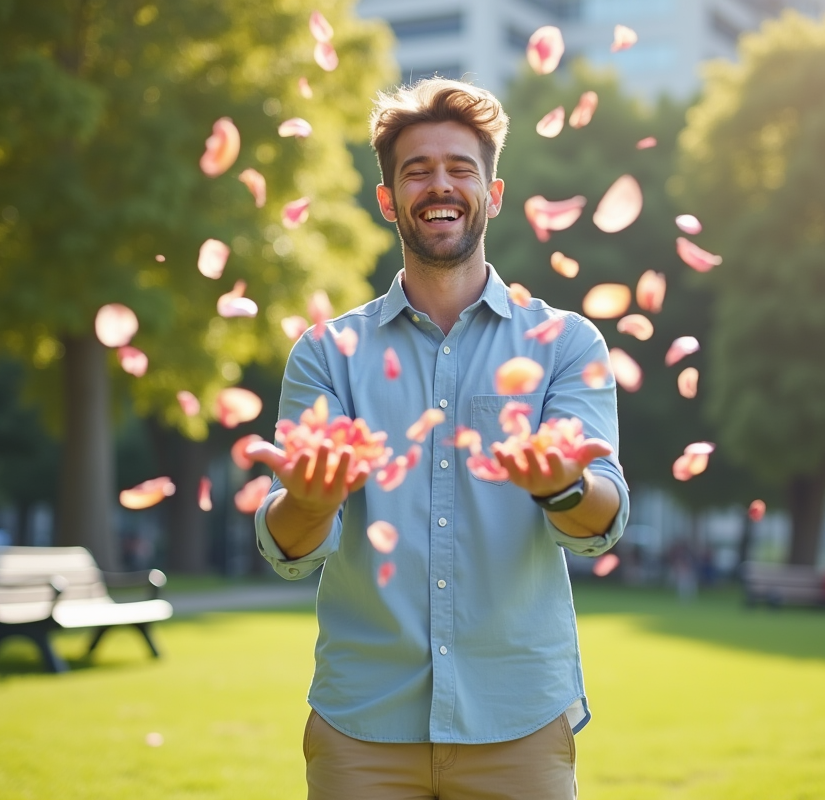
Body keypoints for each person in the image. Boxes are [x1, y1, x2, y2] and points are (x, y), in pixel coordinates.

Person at [252, 78, 629, 800]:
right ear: (387, 199)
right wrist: (309, 502)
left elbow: (601, 523)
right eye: (417, 171)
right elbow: (289, 547)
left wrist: (563, 488)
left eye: (460, 168)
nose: (440, 185)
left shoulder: (565, 344)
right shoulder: (328, 355)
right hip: (362, 729)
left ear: (494, 192)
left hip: (518, 721)